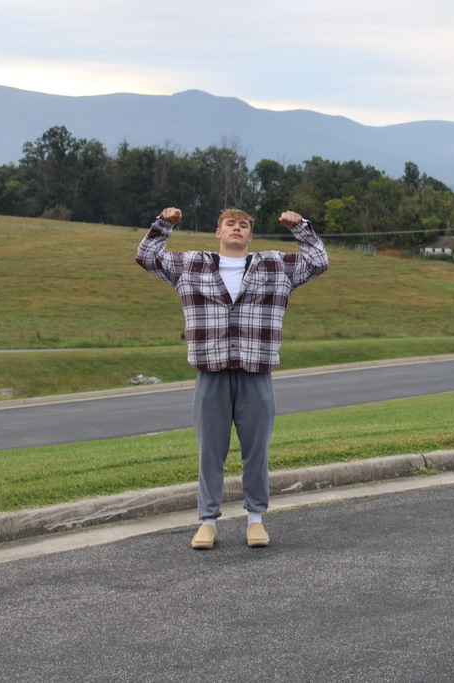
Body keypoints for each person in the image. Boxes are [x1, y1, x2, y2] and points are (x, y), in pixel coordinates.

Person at [137, 206, 329, 549]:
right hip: (210, 372)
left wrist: (300, 227)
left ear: (251, 236)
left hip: (257, 371)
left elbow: (317, 261)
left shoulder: (273, 265)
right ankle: (207, 522)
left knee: (257, 450)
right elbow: (147, 256)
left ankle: (255, 519)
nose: (236, 229)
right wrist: (165, 224)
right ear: (218, 232)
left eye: (243, 225)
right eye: (230, 224)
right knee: (210, 450)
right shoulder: (191, 264)